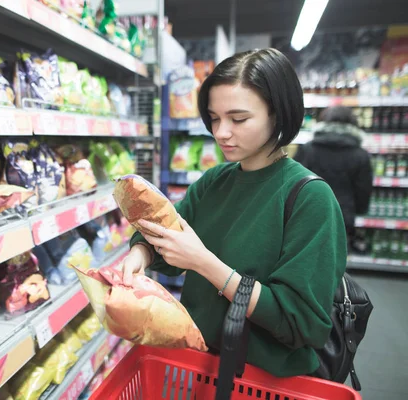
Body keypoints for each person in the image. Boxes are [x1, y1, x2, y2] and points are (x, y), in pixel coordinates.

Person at [121, 48, 347, 378]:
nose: (220, 132)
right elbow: (164, 233)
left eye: (238, 119)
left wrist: (202, 262)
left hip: (265, 380)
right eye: (214, 118)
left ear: (277, 113)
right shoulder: (215, 181)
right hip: (201, 367)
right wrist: (141, 253)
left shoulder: (310, 198)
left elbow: (300, 323)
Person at [294, 106, 373, 244]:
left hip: (308, 213)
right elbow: (363, 190)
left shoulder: (307, 149)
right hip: (342, 217)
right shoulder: (361, 155)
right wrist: (359, 209)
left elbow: (294, 181)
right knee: (335, 259)